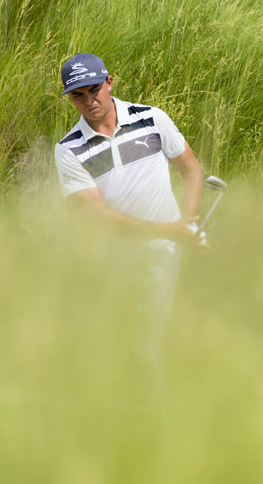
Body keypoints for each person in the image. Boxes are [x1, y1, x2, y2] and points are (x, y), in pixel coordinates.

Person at [53, 52, 205, 397]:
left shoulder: (150, 118)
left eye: (94, 89)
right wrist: (170, 230)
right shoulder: (69, 149)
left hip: (161, 251)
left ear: (110, 82)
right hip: (112, 260)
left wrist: (187, 221)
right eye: (78, 95)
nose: (89, 101)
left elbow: (190, 168)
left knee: (144, 348)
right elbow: (97, 216)